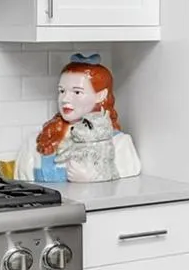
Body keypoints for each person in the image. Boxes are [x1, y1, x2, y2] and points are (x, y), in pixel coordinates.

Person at [18, 55, 141, 183]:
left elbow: (126, 192)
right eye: (62, 91)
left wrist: (95, 178)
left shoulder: (119, 144)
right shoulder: (35, 143)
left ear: (101, 95)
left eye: (77, 92)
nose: (65, 99)